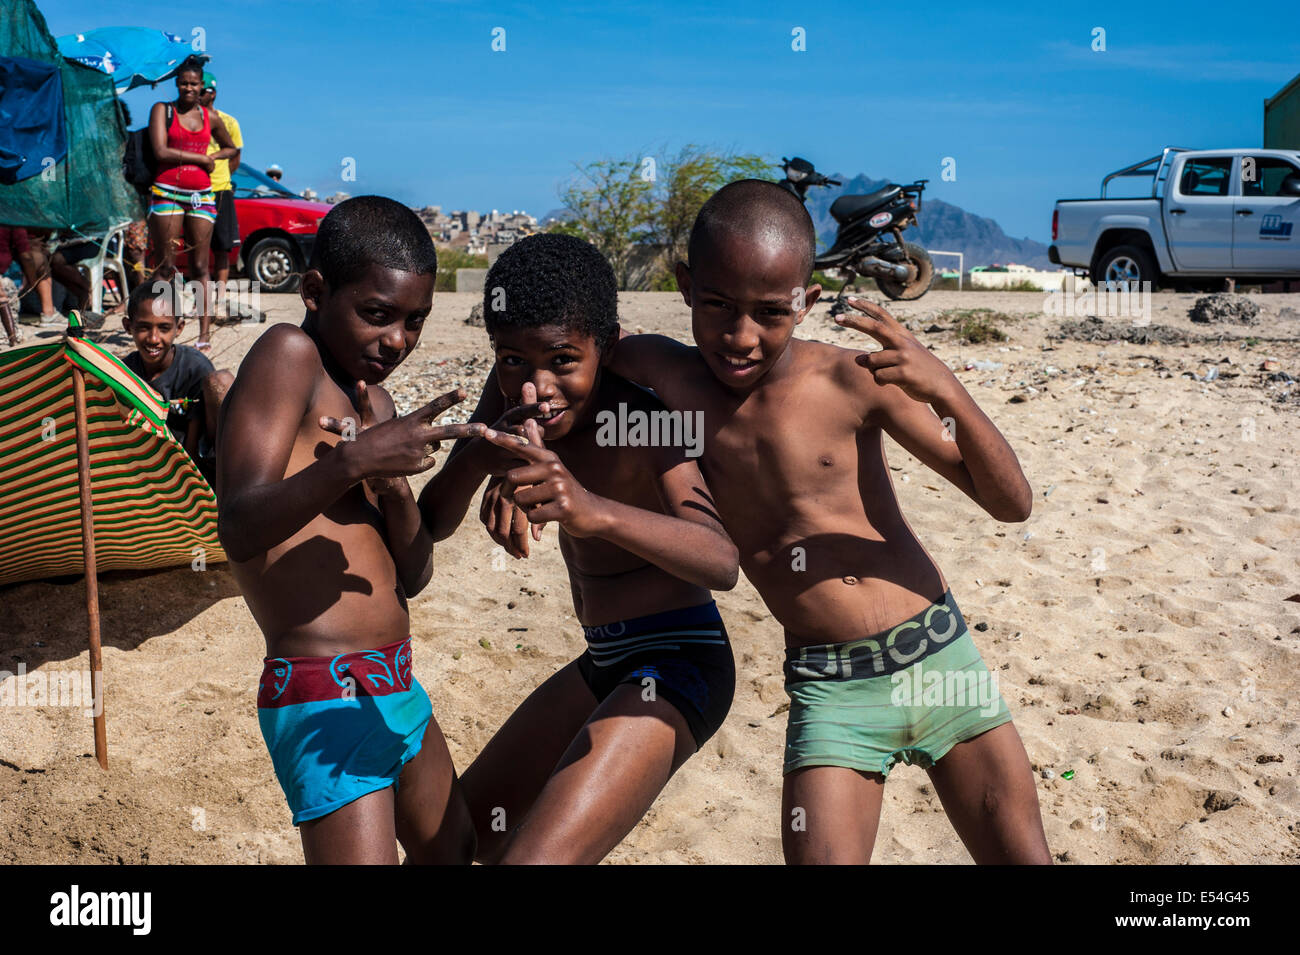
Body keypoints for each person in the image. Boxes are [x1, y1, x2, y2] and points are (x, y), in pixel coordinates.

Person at [487, 180, 1052, 865]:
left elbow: (1010, 501)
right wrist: (514, 457)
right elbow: (547, 359)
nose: (740, 336)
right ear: (686, 285)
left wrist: (944, 385)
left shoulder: (857, 380)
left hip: (938, 658)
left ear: (807, 302)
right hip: (830, 688)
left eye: (770, 313)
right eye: (720, 306)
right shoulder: (660, 369)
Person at [419, 233, 740, 864]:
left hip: (679, 662)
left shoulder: (640, 418)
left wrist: (592, 511)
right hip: (603, 661)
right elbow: (432, 521)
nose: (537, 386)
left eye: (563, 360)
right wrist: (487, 449)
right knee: (450, 847)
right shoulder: (511, 397)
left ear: (608, 347)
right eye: (512, 360)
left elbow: (720, 560)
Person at [214, 195, 486, 864]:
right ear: (314, 291)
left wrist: (392, 488)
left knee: (456, 850)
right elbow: (239, 524)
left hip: (397, 683)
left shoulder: (378, 403)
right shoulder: (289, 354)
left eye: (415, 321)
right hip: (321, 689)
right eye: (377, 314)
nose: (397, 339)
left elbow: (414, 575)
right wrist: (353, 463)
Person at [147, 55, 238, 351]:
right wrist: (201, 158)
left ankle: (204, 334)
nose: (188, 88)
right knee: (166, 266)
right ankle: (162, 329)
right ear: (176, 83)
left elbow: (230, 146)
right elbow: (160, 151)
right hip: (167, 191)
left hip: (202, 194)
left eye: (194, 84)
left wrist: (216, 157)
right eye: (184, 83)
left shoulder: (210, 118)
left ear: (202, 87)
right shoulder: (163, 110)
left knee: (200, 266)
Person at [121, 280, 232, 483]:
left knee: (220, 382)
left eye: (164, 328)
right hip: (145, 462)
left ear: (179, 328)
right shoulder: (124, 371)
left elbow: (192, 444)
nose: (154, 338)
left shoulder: (195, 368)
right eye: (144, 328)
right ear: (128, 326)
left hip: (193, 464)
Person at [198, 72, 243, 321]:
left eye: (201, 90)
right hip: (198, 191)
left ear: (211, 92)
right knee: (199, 248)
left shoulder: (228, 121)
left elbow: (235, 156)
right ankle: (201, 299)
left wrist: (221, 172)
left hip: (221, 189)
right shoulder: (191, 120)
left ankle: (221, 297)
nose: (196, 94)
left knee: (222, 247)